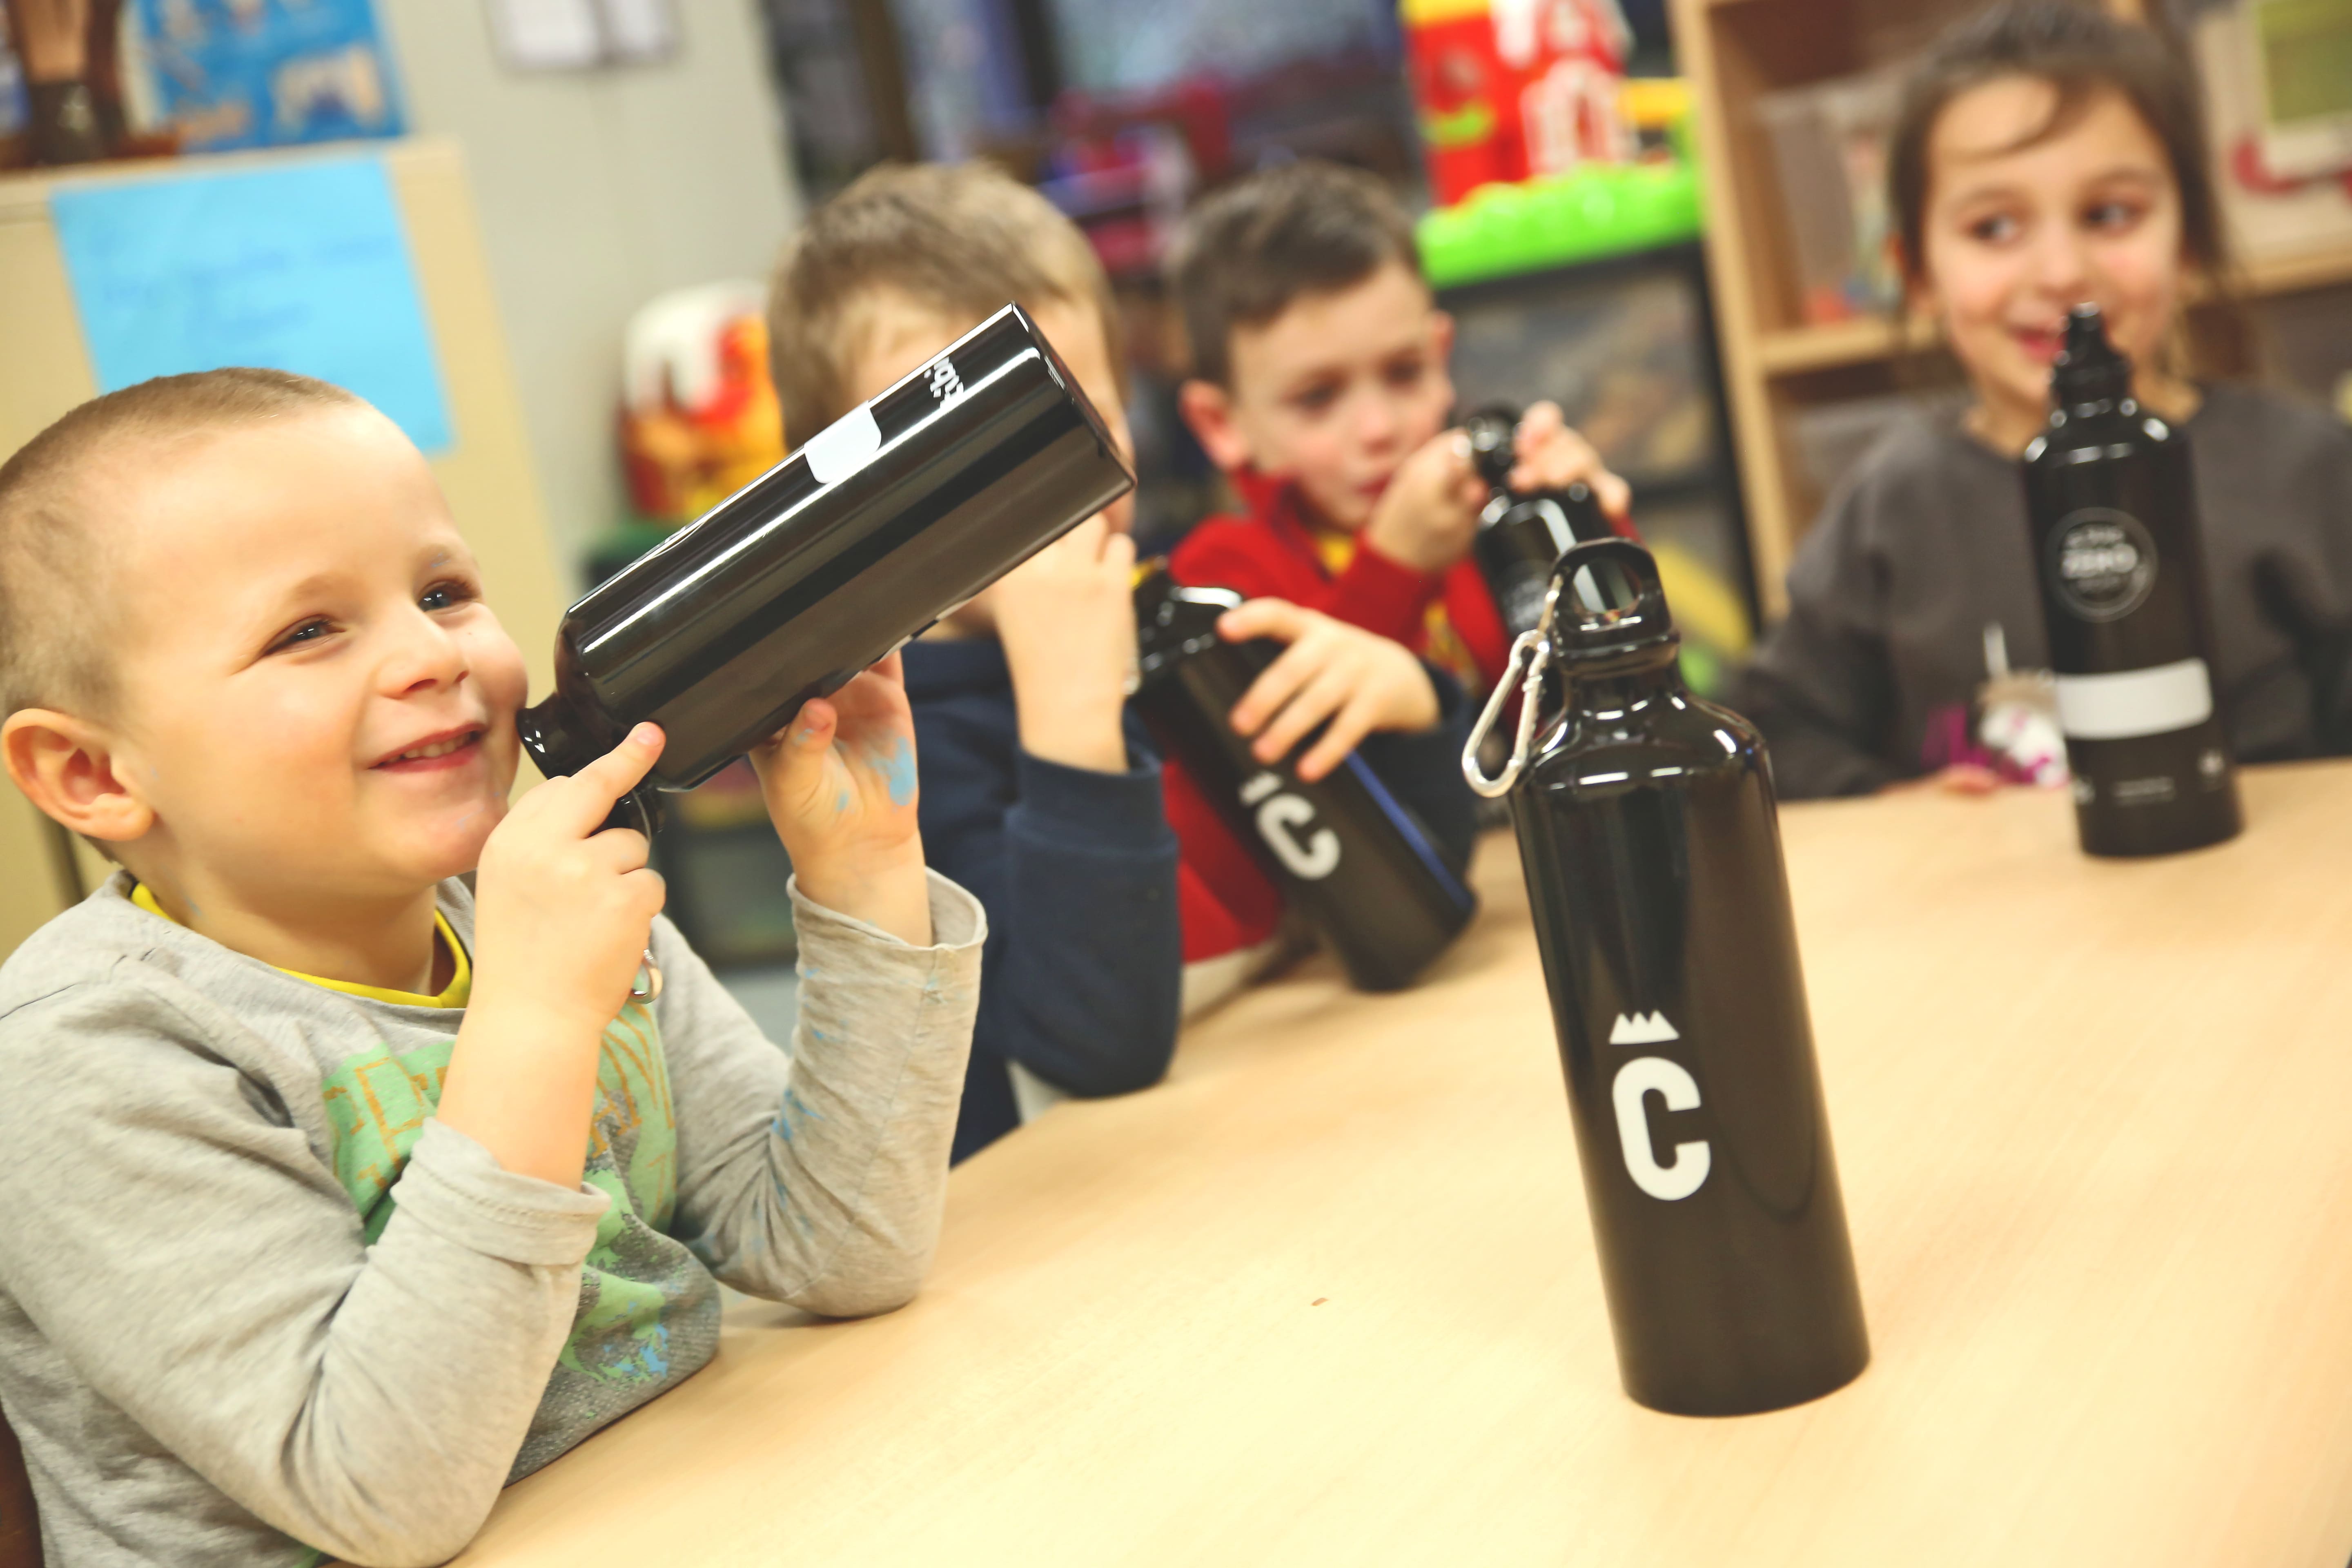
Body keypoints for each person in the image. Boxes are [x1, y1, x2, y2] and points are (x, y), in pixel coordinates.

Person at [0, 369, 986, 1568]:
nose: (430, 654)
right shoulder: (80, 1055)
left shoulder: (537, 913)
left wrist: (865, 868)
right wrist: (533, 1018)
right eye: (306, 630)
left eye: (444, 590)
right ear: (90, 776)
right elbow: (381, 1491)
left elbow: (839, 1246)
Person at [768, 162, 1477, 1160]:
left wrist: (1412, 707)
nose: (1033, 493)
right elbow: (1092, 1049)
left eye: (1067, 420)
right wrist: (1070, 714)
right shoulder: (878, 761)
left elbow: (1407, 908)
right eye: (956, 455)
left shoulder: (1169, 624)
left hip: (1258, 1143)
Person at [1732, 0, 2352, 797]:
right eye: (1994, 227)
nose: (2060, 272)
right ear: (1916, 270)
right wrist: (1899, 806)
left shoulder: (2306, 470)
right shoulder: (1894, 505)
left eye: (2109, 215)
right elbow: (1778, 735)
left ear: (2189, 241)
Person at [1165, 158, 1636, 697]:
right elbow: (1313, 757)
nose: (1378, 429)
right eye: (1317, 397)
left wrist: (1592, 536)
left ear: (1441, 358)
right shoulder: (1221, 582)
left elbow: (1618, 693)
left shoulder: (1496, 517)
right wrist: (1395, 572)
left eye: (1405, 373)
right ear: (1220, 424)